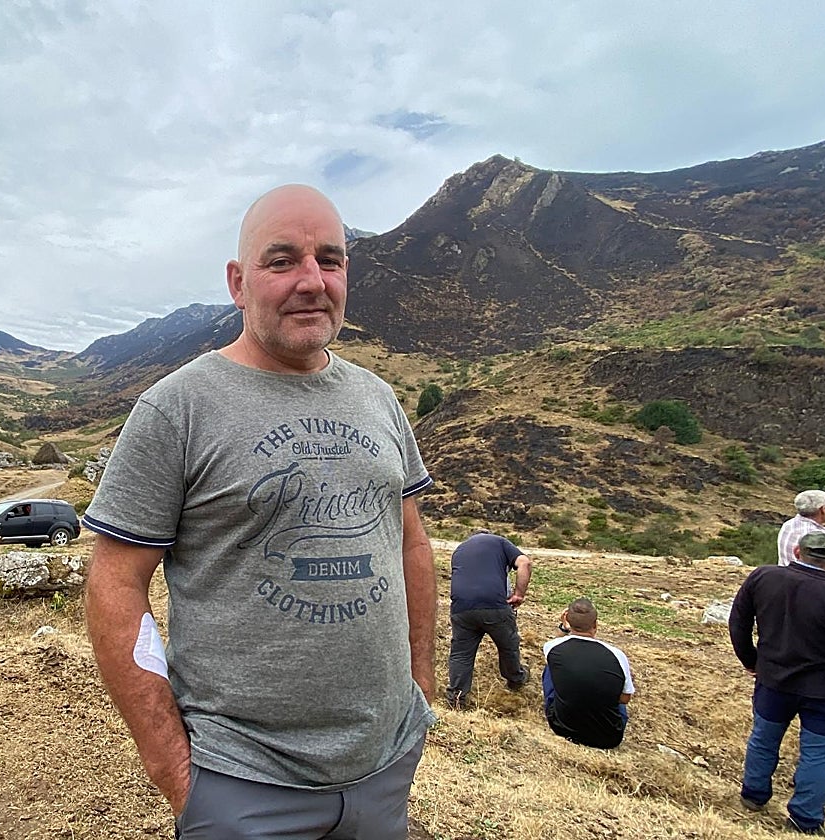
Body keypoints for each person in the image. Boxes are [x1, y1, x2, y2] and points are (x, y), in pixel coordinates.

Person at [82, 184, 436, 840]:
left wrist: (420, 687)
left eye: (329, 260)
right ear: (238, 283)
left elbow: (410, 543)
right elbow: (114, 583)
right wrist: (176, 772)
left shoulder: (379, 400)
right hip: (242, 786)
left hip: (384, 769)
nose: (312, 280)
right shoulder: (177, 409)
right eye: (283, 261)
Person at [731, 532, 825, 835]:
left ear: (796, 551)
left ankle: (753, 795)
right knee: (818, 753)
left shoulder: (764, 576)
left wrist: (750, 660)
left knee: (763, 738)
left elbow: (738, 622)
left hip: (773, 678)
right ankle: (805, 818)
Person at [446, 531, 532, 708]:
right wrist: (519, 594)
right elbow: (525, 563)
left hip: (462, 609)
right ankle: (516, 680)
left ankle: (456, 698)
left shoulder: (459, 549)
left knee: (461, 654)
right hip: (494, 606)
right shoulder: (500, 542)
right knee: (508, 644)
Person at [541, 598, 635, 749]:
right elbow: (625, 698)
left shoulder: (552, 647)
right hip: (609, 738)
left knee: (550, 668)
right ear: (596, 624)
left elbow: (554, 644)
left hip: (562, 727)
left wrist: (564, 628)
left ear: (567, 621)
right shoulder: (617, 655)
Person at [778, 490, 825, 566]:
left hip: (785, 574)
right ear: (823, 509)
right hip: (805, 577)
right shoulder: (818, 536)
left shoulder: (788, 524)